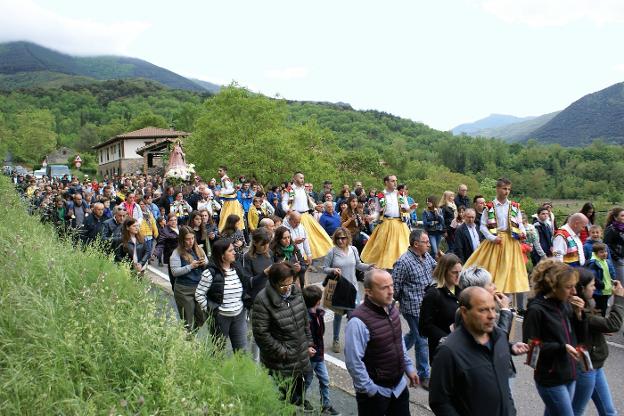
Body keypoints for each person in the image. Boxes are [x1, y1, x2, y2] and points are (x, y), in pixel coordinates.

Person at [429, 287, 529, 416]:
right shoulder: (448, 351)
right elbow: (439, 401)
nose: (492, 315)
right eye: (483, 310)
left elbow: (503, 385)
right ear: (464, 312)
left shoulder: (499, 337)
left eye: (493, 308)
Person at [344, 269, 419, 416]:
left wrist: (408, 367)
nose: (391, 291)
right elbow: (353, 362)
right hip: (375, 393)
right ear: (369, 292)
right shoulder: (357, 321)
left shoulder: (392, 309)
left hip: (399, 388)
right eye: (384, 287)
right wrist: (370, 390)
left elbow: (398, 341)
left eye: (392, 286)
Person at [522, 260, 587, 416]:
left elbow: (580, 338)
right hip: (550, 378)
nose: (574, 292)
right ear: (553, 286)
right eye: (568, 287)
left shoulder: (564, 304)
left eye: (574, 286)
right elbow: (531, 347)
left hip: (569, 372)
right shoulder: (536, 310)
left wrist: (579, 315)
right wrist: (561, 348)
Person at [252, 262, 314, 409]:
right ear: (273, 282)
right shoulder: (262, 300)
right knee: (283, 398)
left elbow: (305, 319)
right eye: (283, 285)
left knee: (300, 389)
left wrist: (309, 343)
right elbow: (261, 335)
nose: (287, 289)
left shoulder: (295, 291)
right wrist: (283, 352)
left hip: (300, 354)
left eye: (290, 284)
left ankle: (298, 402)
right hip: (281, 360)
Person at [571, 268, 623, 416]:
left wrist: (599, 328)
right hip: (586, 367)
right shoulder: (578, 310)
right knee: (575, 411)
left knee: (609, 412)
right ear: (581, 288)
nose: (594, 287)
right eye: (592, 285)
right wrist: (619, 299)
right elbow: (613, 324)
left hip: (595, 364)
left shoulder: (586, 306)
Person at [464, 177, 529, 295]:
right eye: (504, 188)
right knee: (494, 268)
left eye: (509, 189)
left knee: (510, 271)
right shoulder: (489, 207)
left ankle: (509, 301)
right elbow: (483, 226)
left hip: (511, 241)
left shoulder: (514, 206)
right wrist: (492, 238)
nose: (507, 191)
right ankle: (492, 293)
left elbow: (520, 223)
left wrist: (522, 231)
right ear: (498, 189)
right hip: (496, 241)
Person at [392, 229, 437, 390]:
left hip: (427, 305)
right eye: (426, 242)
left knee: (414, 334)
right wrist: (392, 306)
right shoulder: (403, 262)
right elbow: (395, 287)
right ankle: (424, 374)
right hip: (413, 307)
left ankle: (395, 351)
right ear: (416, 244)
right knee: (422, 340)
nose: (429, 245)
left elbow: (435, 268)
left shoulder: (425, 256)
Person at [323, 227, 372, 353]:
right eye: (338, 238)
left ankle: (352, 342)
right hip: (338, 289)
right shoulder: (332, 252)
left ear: (348, 238)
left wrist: (369, 267)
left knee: (353, 316)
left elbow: (358, 264)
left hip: (352, 288)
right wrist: (332, 270)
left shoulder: (354, 249)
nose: (340, 241)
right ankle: (335, 339)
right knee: (338, 316)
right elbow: (324, 268)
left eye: (343, 238)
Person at [195, 239, 248, 351]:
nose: (234, 252)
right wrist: (212, 310)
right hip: (220, 318)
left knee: (241, 352)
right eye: (230, 250)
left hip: (239, 315)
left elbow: (245, 286)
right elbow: (199, 294)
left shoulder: (237, 268)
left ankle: (241, 369)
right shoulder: (210, 273)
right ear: (222, 255)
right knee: (218, 351)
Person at [303, 286, 341, 416]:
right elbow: (302, 337)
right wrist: (307, 348)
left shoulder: (318, 313)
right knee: (306, 380)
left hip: (318, 354)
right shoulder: (307, 318)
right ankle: (296, 399)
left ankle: (326, 405)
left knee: (324, 380)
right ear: (317, 301)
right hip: (310, 355)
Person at [360, 175, 411, 270]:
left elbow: (406, 209)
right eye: (392, 181)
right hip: (386, 223)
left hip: (399, 224)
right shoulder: (380, 196)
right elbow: (377, 211)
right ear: (386, 182)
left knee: (402, 248)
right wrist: (372, 217)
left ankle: (400, 268)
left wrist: (411, 209)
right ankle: (385, 271)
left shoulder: (400, 194)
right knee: (382, 249)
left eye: (396, 180)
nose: (395, 183)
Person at [419, 253, 462, 359]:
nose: (458, 276)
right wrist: (447, 337)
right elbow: (424, 326)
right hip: (442, 352)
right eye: (454, 272)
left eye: (460, 272)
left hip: (460, 350)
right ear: (444, 272)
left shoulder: (461, 290)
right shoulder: (433, 294)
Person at [281, 172, 333, 259]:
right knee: (297, 240)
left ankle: (309, 259)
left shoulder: (304, 189)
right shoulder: (291, 190)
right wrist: (288, 210)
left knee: (314, 239)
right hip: (295, 217)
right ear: (294, 178)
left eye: (303, 178)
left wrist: (315, 206)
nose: (302, 180)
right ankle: (300, 259)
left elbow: (309, 201)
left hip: (306, 216)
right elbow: (284, 202)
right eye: (300, 178)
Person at [169, 226, 207, 332]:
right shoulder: (176, 253)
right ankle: (187, 343)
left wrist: (204, 263)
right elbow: (175, 272)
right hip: (183, 290)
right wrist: (190, 266)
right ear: (182, 240)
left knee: (202, 317)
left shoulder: (198, 249)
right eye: (187, 239)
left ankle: (190, 337)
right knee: (187, 322)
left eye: (192, 238)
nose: (191, 241)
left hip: (199, 288)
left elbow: (208, 262)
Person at [585, 242, 616, 317]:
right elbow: (593, 277)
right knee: (600, 308)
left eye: (605, 251)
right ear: (595, 253)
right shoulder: (594, 263)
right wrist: (600, 285)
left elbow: (609, 273)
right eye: (601, 252)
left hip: (606, 289)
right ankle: (599, 322)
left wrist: (613, 280)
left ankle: (601, 320)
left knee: (604, 306)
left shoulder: (607, 261)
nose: (605, 254)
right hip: (599, 291)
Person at [153, 215, 180, 288]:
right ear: (168, 221)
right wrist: (156, 252)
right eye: (171, 220)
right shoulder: (165, 231)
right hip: (171, 256)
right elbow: (160, 243)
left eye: (175, 219)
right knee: (173, 277)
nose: (174, 221)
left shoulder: (180, 228)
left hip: (182, 255)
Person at [217, 166, 245, 231]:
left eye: (220, 171)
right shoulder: (224, 179)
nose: (219, 172)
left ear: (225, 171)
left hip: (231, 203)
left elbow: (230, 191)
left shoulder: (225, 179)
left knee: (226, 217)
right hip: (230, 201)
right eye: (218, 170)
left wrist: (220, 193)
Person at [604, 207, 624, 284]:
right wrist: (616, 258)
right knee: (621, 283)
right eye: (622, 216)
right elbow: (606, 245)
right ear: (615, 217)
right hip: (617, 260)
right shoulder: (611, 229)